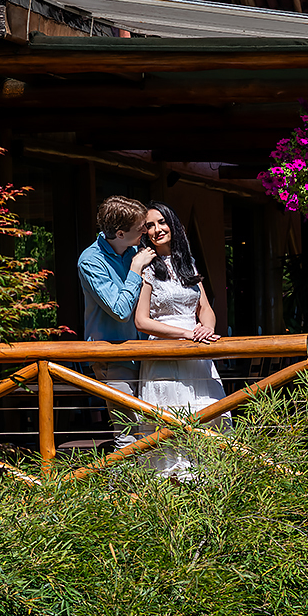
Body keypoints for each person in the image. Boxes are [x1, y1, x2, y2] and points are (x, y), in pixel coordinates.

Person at [130, 201, 227, 478]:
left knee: (205, 413)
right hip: (164, 352)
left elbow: (205, 308)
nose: (157, 229)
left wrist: (205, 329)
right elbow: (141, 321)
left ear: (174, 224)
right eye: (149, 226)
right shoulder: (147, 267)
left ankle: (207, 479)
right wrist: (186, 333)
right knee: (170, 419)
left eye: (162, 222)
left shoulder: (189, 263)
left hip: (198, 352)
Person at [77, 195, 148, 441]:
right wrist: (136, 269)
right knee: (128, 433)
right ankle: (123, 481)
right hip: (115, 357)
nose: (146, 232)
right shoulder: (91, 261)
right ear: (120, 234)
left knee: (152, 428)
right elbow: (119, 310)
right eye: (141, 229)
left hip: (147, 353)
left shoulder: (135, 250)